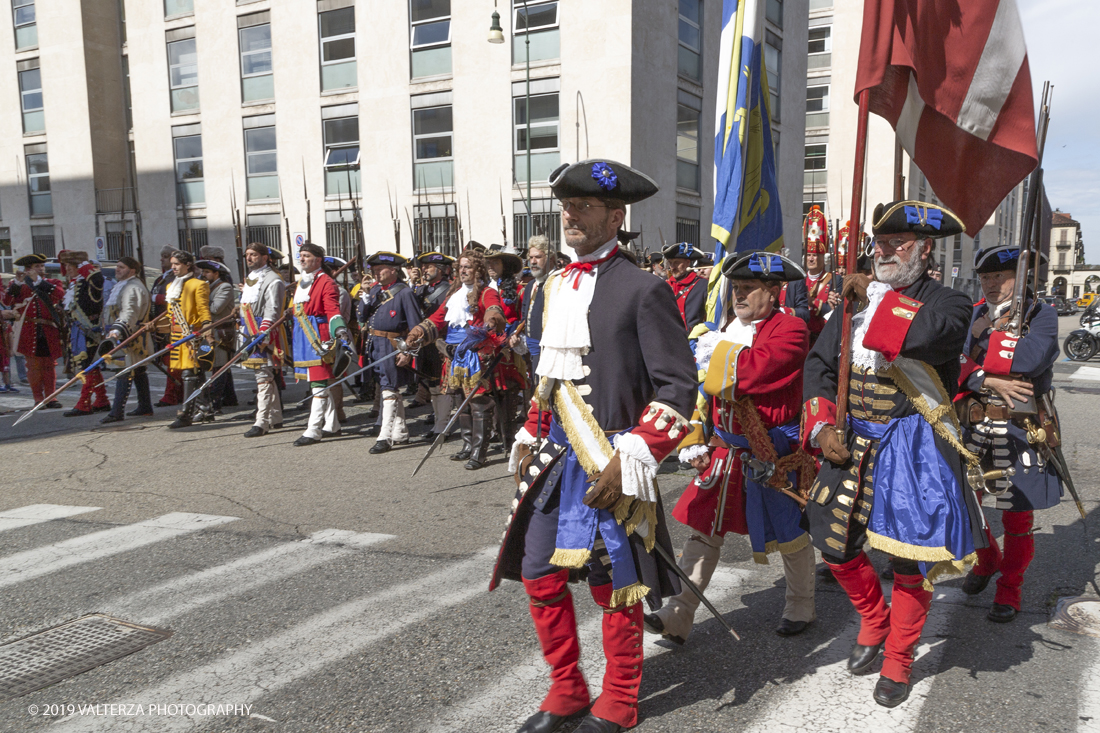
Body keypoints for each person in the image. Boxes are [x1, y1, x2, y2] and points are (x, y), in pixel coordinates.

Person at [491, 159, 696, 733]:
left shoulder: (645, 289)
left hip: (612, 460)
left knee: (615, 584)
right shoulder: (550, 284)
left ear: (615, 215)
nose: (570, 214)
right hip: (557, 458)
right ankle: (567, 688)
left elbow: (680, 389)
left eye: (583, 206)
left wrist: (635, 454)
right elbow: (550, 376)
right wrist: (531, 430)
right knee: (538, 572)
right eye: (567, 205)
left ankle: (620, 699)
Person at [801, 200, 983, 708]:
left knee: (909, 560)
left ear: (923, 250)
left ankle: (899, 657)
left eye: (896, 243)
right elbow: (818, 366)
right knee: (832, 540)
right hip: (852, 439)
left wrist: (877, 301)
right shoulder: (856, 302)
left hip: (913, 445)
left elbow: (927, 336)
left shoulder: (950, 302)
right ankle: (874, 619)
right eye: (879, 242)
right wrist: (820, 427)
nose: (882, 251)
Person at [647, 250, 817, 645]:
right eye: (735, 288)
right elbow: (699, 393)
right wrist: (693, 440)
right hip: (726, 448)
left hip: (771, 450)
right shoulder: (725, 331)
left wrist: (712, 351)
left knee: (789, 532)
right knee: (703, 529)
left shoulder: (790, 329)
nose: (738, 296)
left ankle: (801, 603)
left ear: (775, 291)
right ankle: (679, 613)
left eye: (749, 288)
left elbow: (754, 372)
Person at [957, 245, 1063, 623]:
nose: (990, 285)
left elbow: (1030, 360)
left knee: (1017, 518)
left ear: (1019, 279)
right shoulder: (972, 314)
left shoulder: (1042, 315)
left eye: (998, 277)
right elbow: (953, 357)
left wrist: (984, 339)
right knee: (968, 502)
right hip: (974, 421)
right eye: (985, 278)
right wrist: (983, 373)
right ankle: (987, 561)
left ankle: (1010, 588)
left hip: (1021, 428)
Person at [407, 249, 507, 470]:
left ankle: (480, 452)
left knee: (478, 402)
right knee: (461, 402)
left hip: (475, 353)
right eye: (461, 266)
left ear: (478, 269)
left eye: (468, 266)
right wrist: (417, 333)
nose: (463, 270)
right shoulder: (454, 294)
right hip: (453, 354)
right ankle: (467, 444)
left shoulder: (486, 292)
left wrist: (490, 321)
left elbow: (493, 310)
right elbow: (437, 319)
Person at [357, 251, 422, 453]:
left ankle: (385, 436)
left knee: (389, 388)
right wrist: (366, 297)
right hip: (375, 343)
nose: (375, 274)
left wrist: (408, 352)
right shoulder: (375, 291)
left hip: (392, 344)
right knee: (387, 387)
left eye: (379, 270)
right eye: (374, 270)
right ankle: (400, 432)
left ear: (393, 270)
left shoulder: (404, 292)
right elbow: (362, 316)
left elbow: (415, 326)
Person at [291, 243, 351, 447]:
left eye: (306, 256)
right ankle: (332, 425)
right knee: (319, 383)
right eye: (301, 256)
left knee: (318, 384)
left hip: (318, 337)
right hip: (302, 336)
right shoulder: (303, 281)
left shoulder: (326, 282)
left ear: (318, 260)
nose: (302, 259)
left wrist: (339, 328)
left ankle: (313, 430)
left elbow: (332, 309)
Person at [2, 254, 64, 407]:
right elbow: (7, 301)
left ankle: (51, 397)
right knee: (33, 366)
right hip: (29, 330)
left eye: (42, 266)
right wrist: (17, 281)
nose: (41, 269)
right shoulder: (19, 285)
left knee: (49, 365)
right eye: (37, 267)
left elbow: (59, 295)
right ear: (28, 269)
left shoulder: (51, 283)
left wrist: (38, 281)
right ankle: (38, 398)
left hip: (48, 329)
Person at [239, 243, 288, 437]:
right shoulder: (251, 278)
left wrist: (262, 332)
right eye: (247, 255)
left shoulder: (273, 280)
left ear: (265, 257)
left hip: (263, 331)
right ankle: (276, 417)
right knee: (265, 375)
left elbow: (273, 309)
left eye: (253, 255)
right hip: (249, 329)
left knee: (263, 377)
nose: (249, 258)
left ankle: (261, 422)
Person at [163, 250, 214, 429]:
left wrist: (207, 330)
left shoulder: (198, 284)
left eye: (176, 264)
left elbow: (203, 309)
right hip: (176, 334)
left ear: (187, 265)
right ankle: (205, 408)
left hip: (191, 333)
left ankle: (186, 414)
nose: (173, 267)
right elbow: (170, 313)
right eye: (172, 264)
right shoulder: (171, 286)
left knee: (189, 374)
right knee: (197, 373)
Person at [58, 251, 112, 416]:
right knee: (90, 367)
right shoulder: (76, 283)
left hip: (88, 329)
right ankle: (102, 400)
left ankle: (84, 403)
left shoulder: (89, 281)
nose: (66, 269)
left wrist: (86, 267)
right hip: (78, 330)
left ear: (77, 266)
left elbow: (97, 280)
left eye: (69, 265)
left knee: (86, 367)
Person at [101, 257, 154, 424]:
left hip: (130, 336)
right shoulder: (125, 285)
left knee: (123, 372)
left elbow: (129, 313)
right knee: (138, 371)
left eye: (121, 267)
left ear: (132, 271)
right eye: (117, 267)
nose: (117, 270)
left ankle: (116, 412)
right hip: (129, 333)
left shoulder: (132, 288)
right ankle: (145, 406)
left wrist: (117, 331)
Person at [414, 251, 455, 442]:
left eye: (428, 267)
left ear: (440, 270)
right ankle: (438, 423)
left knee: (442, 387)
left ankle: (442, 427)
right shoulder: (423, 289)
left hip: (440, 343)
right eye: (423, 267)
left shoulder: (448, 290)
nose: (424, 270)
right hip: (426, 344)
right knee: (432, 387)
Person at [196, 259, 235, 415]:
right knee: (206, 363)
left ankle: (214, 403)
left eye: (207, 272)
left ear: (216, 274)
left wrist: (199, 302)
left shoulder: (224, 287)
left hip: (220, 334)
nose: (203, 275)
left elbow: (216, 308)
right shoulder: (206, 287)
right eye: (202, 272)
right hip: (207, 333)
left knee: (219, 367)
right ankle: (224, 398)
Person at [516, 235, 558, 378]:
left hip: (553, 353)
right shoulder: (530, 286)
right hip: (533, 352)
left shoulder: (559, 283)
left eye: (538, 257)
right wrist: (517, 337)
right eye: (531, 257)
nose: (533, 261)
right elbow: (524, 318)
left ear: (551, 258)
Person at [784, 235, 833, 344]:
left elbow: (833, 310)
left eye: (815, 255)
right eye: (809, 255)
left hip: (822, 339)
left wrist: (813, 302)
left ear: (823, 258)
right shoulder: (797, 280)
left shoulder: (833, 279)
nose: (811, 259)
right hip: (800, 338)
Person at [150, 245, 183, 407]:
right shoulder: (162, 277)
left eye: (165, 256)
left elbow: (175, 298)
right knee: (168, 361)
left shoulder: (175, 278)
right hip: (160, 326)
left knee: (173, 362)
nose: (162, 259)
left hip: (172, 325)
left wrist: (156, 298)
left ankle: (171, 395)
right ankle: (179, 392)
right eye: (162, 256)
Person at [662, 242, 709, 335]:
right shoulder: (664, 285)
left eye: (676, 263)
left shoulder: (702, 285)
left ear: (687, 263)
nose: (672, 267)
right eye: (670, 263)